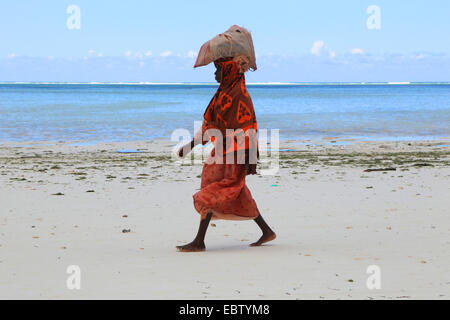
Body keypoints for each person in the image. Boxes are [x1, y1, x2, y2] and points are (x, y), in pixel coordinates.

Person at [176, 55, 276, 252]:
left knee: (215, 191)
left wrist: (248, 157)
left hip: (237, 153)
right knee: (233, 191)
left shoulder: (240, 95)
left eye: (218, 69)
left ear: (229, 71)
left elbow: (248, 126)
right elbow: (210, 124)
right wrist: (191, 145)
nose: (215, 73)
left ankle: (199, 241)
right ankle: (266, 231)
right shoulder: (223, 93)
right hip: (222, 151)